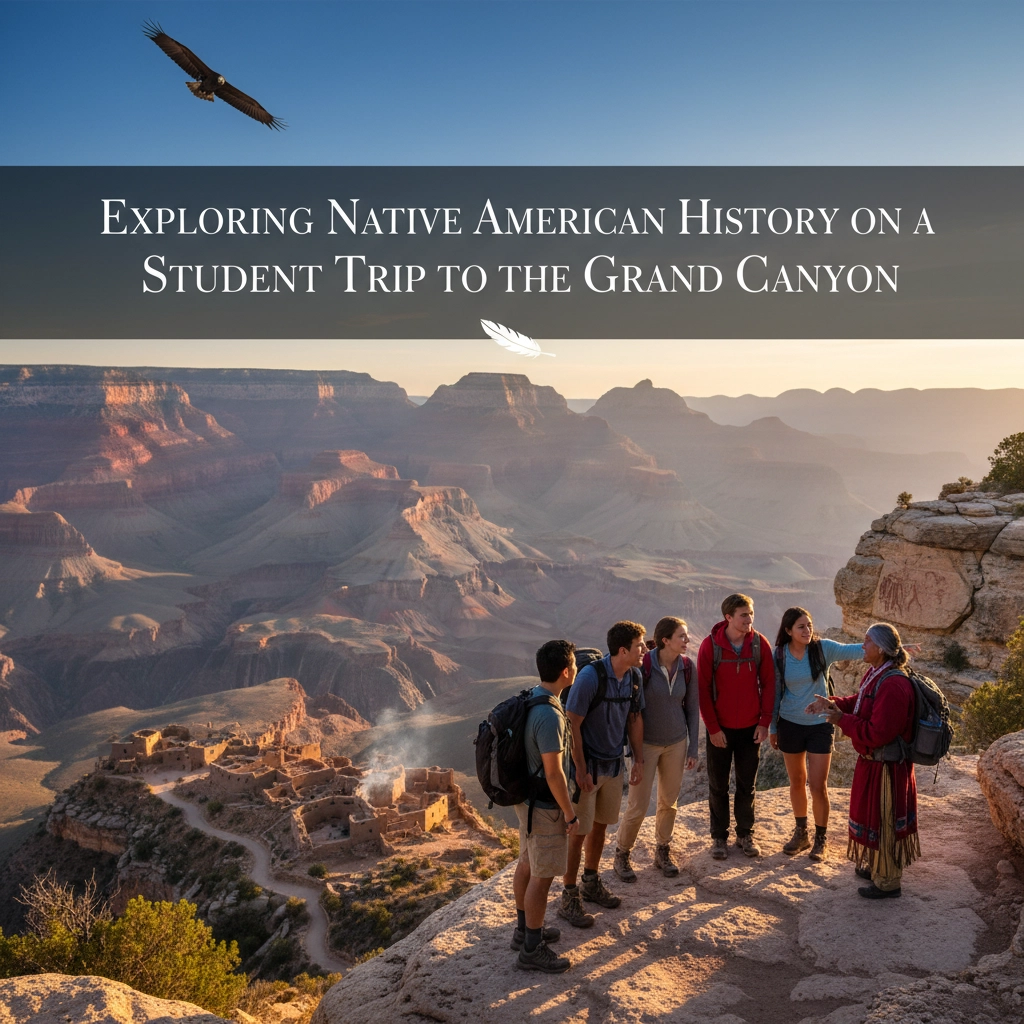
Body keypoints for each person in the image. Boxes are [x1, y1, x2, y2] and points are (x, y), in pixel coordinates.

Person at [806, 622, 921, 899]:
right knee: (875, 818)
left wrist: (841, 720)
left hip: (888, 769)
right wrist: (833, 704)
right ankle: (878, 867)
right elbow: (862, 702)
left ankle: (888, 881)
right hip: (875, 764)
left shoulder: (894, 684)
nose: (862, 646)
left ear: (881, 649)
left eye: (867, 641)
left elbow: (879, 733)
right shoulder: (877, 674)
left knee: (885, 820)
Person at [560, 621, 646, 928]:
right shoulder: (589, 677)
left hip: (613, 765)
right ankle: (569, 894)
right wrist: (580, 769)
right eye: (640, 645)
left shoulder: (633, 676)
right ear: (623, 650)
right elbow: (573, 724)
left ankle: (591, 882)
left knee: (600, 827)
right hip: (589, 768)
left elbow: (634, 718)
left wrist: (638, 760)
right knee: (579, 832)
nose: (644, 651)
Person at [770, 607, 864, 861]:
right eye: (801, 627)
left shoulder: (822, 649)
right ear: (788, 630)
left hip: (820, 725)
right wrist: (772, 727)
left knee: (818, 785)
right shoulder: (778, 655)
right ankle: (802, 833)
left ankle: (820, 838)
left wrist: (896, 646)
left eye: (809, 625)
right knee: (797, 782)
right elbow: (775, 693)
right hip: (790, 723)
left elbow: (857, 649)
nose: (807, 631)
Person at [511, 639, 580, 972]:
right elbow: (554, 774)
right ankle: (532, 949)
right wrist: (569, 813)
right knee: (542, 875)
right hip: (544, 807)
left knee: (526, 861)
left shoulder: (532, 697)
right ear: (566, 671)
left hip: (526, 802)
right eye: (574, 665)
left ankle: (524, 930)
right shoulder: (549, 716)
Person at [614, 616, 699, 880]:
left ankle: (662, 850)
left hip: (676, 742)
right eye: (682, 636)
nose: (687, 640)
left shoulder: (687, 667)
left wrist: (693, 747)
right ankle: (622, 853)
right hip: (646, 745)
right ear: (665, 640)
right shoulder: (644, 667)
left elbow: (692, 709)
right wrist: (635, 753)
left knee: (669, 802)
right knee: (638, 805)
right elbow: (632, 713)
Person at [697, 594, 775, 859]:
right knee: (718, 785)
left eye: (751, 613)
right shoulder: (711, 646)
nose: (749, 619)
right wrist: (713, 728)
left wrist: (764, 722)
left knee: (746, 785)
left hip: (751, 728)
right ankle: (719, 838)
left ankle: (745, 834)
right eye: (744, 614)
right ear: (728, 617)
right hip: (721, 729)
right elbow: (703, 691)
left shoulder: (759, 644)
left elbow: (769, 684)